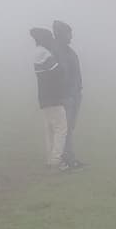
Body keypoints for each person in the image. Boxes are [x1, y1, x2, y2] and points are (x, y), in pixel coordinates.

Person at [31, 26, 74, 170]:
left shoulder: (37, 53)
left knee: (49, 129)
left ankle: (50, 158)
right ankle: (56, 160)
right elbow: (58, 71)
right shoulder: (44, 54)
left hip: (44, 97)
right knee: (61, 128)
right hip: (53, 96)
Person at [51, 19, 85, 168]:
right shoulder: (57, 51)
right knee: (65, 128)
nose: (71, 37)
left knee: (69, 128)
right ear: (61, 34)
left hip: (74, 94)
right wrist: (66, 94)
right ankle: (65, 158)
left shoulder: (68, 51)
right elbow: (61, 75)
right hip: (66, 96)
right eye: (68, 34)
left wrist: (78, 90)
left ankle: (68, 156)